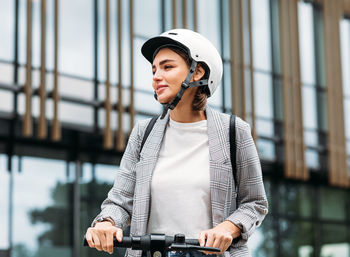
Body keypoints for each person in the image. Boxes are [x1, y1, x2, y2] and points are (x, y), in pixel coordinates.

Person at [85, 29, 268, 257]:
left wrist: (228, 229)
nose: (156, 76)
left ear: (197, 72)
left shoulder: (233, 131)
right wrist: (106, 222)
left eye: (167, 67)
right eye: (154, 69)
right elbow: (120, 201)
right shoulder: (144, 133)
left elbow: (255, 203)